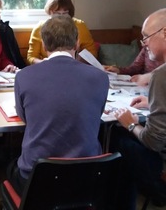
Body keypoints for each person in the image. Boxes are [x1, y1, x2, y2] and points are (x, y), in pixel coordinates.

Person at [6, 16, 109, 195]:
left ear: (44, 46)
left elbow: (25, 118)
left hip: (38, 179)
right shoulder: (100, 77)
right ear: (77, 44)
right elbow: (96, 115)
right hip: (87, 176)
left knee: (10, 167)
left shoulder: (24, 76)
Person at [111, 8, 166, 210]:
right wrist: (153, 103)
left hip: (160, 164)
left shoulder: (161, 75)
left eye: (146, 37)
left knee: (117, 138)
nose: (143, 44)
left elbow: (153, 141)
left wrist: (131, 123)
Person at [27, 0, 97, 64]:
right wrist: (44, 63)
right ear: (50, 12)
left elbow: (92, 52)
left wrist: (78, 62)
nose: (61, 17)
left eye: (65, 13)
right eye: (57, 13)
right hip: (47, 68)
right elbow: (31, 57)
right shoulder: (40, 28)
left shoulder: (80, 26)